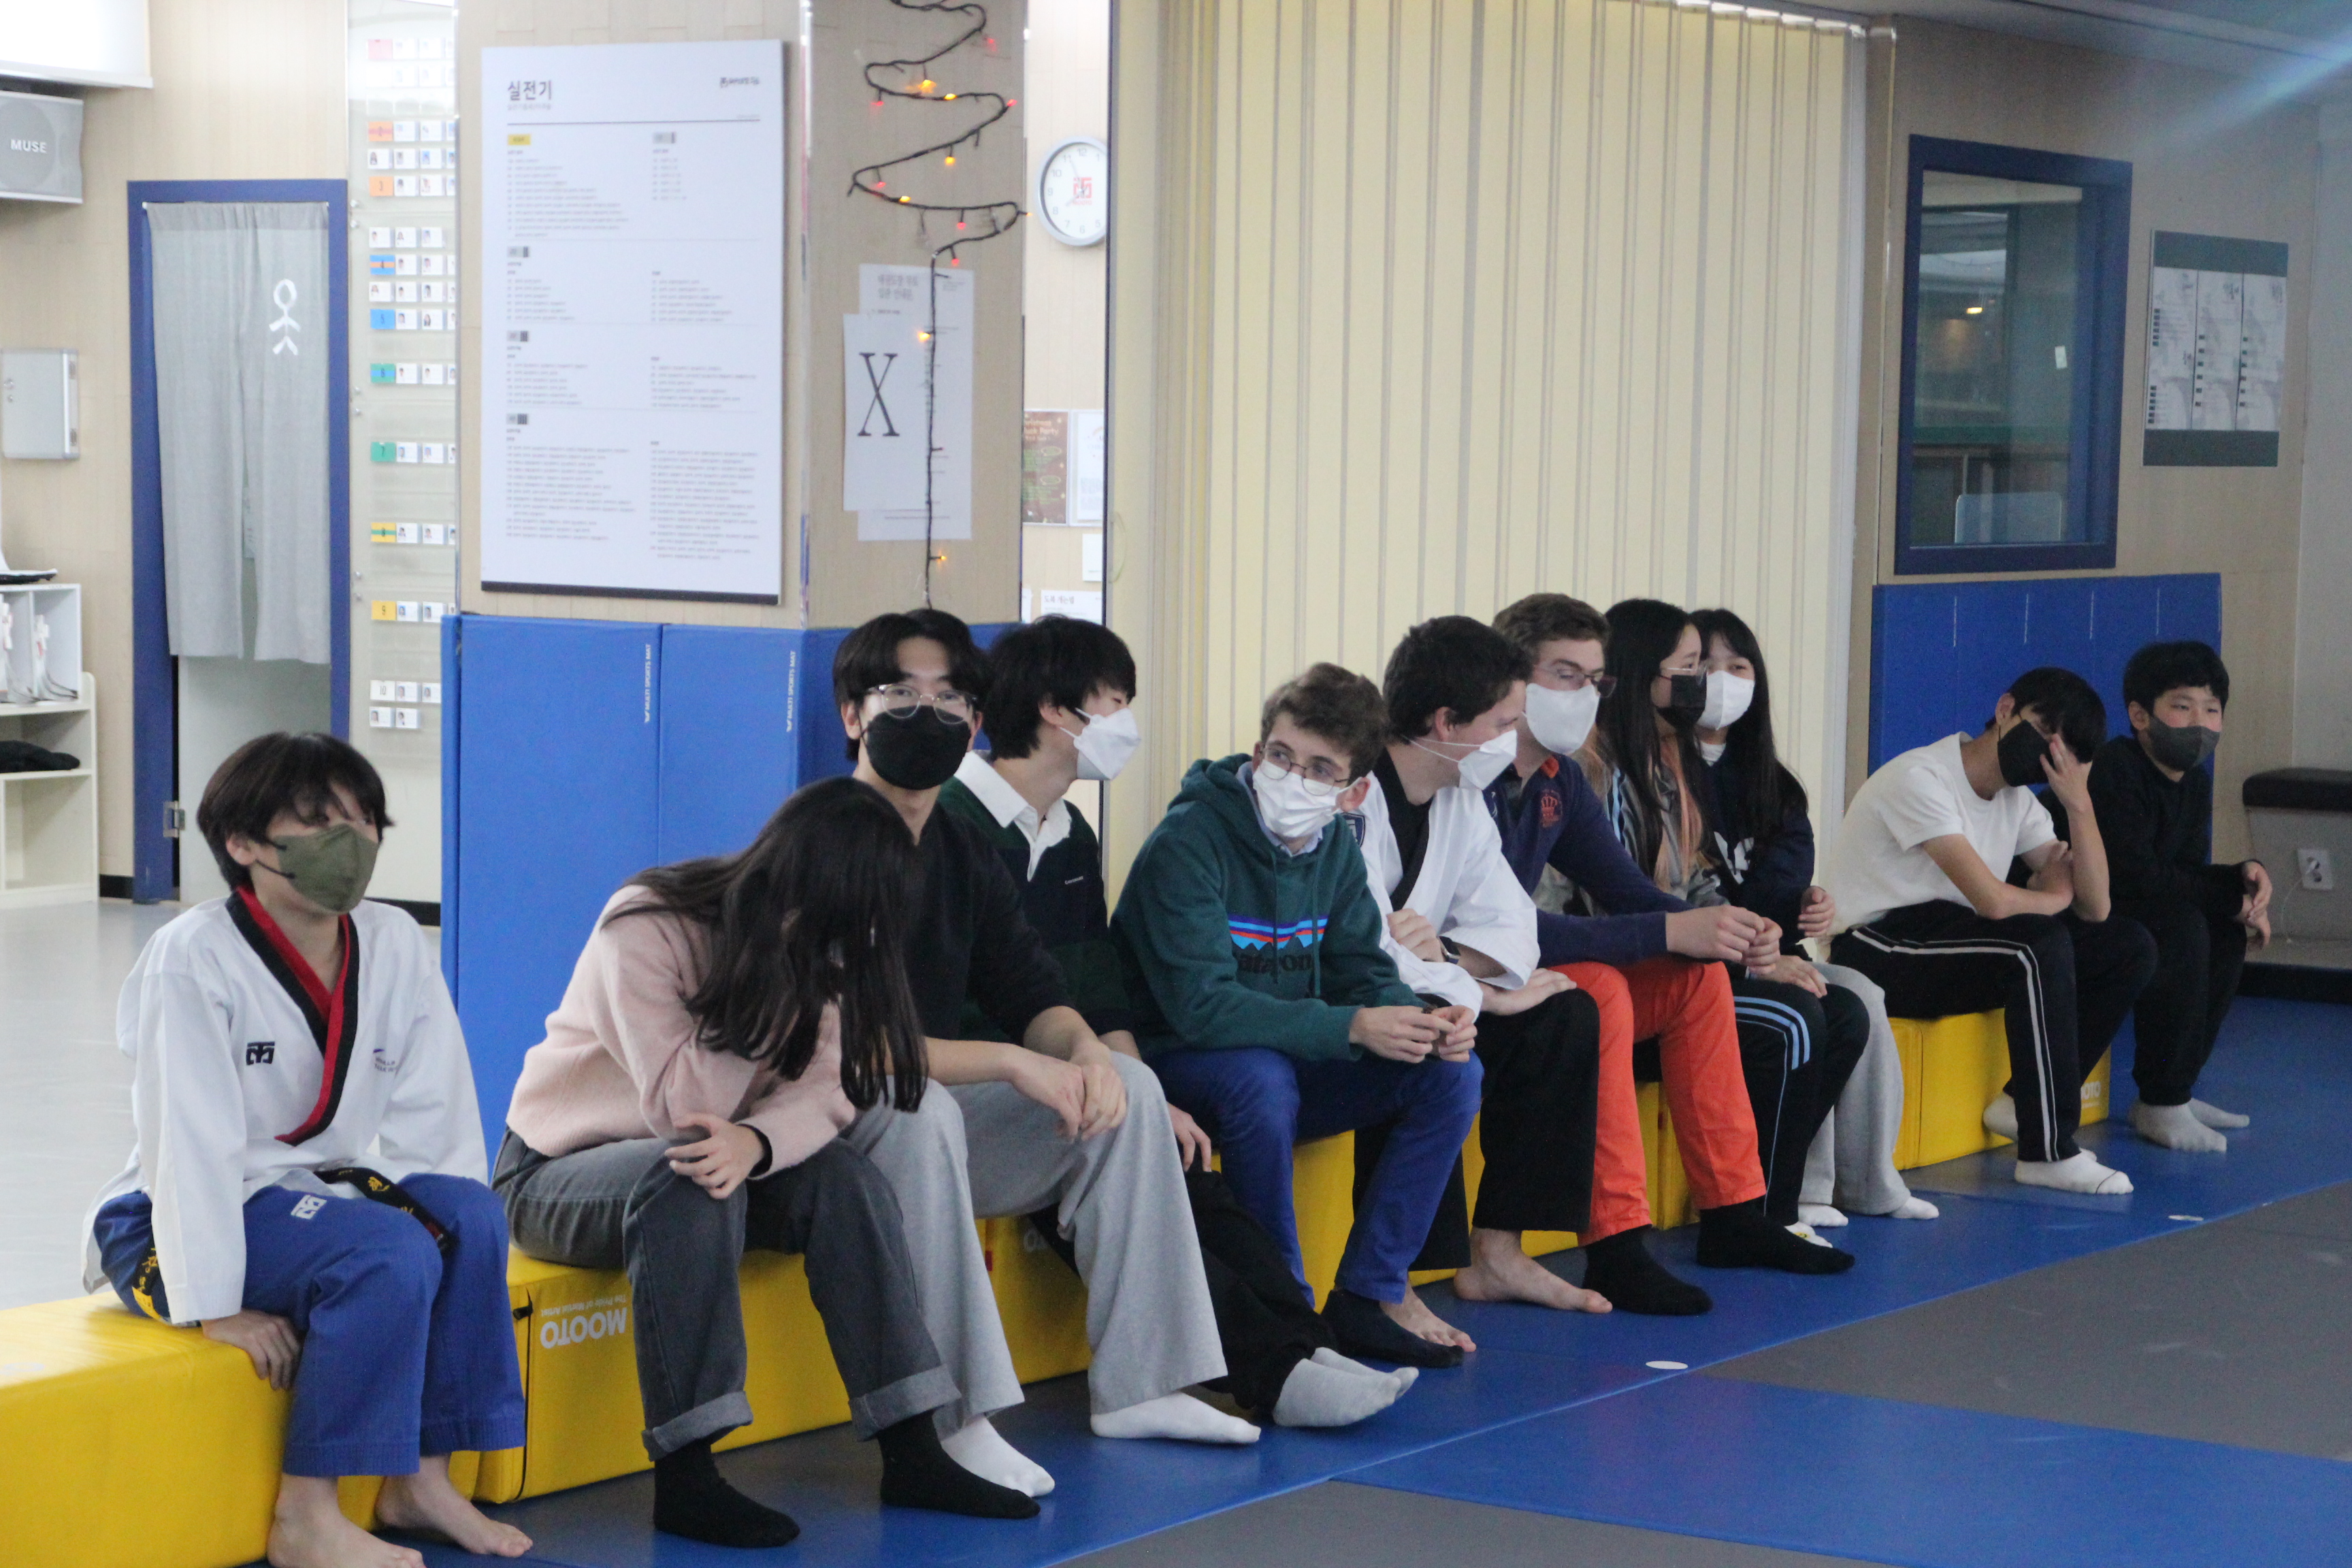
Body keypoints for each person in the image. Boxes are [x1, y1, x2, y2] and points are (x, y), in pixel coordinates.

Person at [497, 779, 1038, 1549]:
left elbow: (831, 1085)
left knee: (847, 1181)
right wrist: (765, 970)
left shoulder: (828, 946)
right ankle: (686, 1474)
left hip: (723, 1149)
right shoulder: (645, 924)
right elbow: (682, 1106)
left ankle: (913, 1447)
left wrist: (756, 1144)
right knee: (690, 1174)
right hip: (555, 1170)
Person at [937, 614, 1416, 1428]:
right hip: (990, 1085)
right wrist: (1093, 1079)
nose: (1128, 722)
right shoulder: (951, 827)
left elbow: (1095, 989)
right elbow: (954, 1005)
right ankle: (1269, 1374)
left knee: (1191, 1173)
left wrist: (1144, 1087)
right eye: (1116, 702)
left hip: (1064, 1073)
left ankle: (1304, 1344)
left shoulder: (1068, 832)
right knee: (1125, 1148)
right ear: (1056, 710)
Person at [84, 733, 531, 1568]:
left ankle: (421, 1479)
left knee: (469, 1216)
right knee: (388, 1251)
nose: (349, 843)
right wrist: (213, 1302)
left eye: (363, 821)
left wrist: (450, 1240)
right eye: (320, 822)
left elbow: (436, 1118)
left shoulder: (392, 940)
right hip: (170, 1219)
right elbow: (186, 1141)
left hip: (314, 1195)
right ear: (242, 844)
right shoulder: (192, 957)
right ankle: (305, 1515)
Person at [834, 610, 1253, 1473]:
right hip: (828, 1126)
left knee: (1132, 1090)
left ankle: (1143, 1384)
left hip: (933, 1104)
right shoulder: (820, 839)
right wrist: (1016, 1062)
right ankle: (954, 1421)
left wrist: (1088, 1053)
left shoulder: (959, 847)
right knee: (922, 1115)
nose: (928, 715)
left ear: (976, 721)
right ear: (853, 715)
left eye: (949, 699)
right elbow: (851, 1050)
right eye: (901, 695)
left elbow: (1033, 993)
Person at [1114, 663, 1487, 1368]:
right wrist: (1349, 1026)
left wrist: (1422, 1019)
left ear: (1354, 792)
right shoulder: (1189, 842)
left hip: (1282, 1057)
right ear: (1258, 753)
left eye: (1320, 769)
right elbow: (1200, 1009)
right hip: (1178, 1060)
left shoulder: (1337, 849)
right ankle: (1284, 1309)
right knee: (1260, 1080)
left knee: (1451, 1075)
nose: (1291, 778)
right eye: (1282, 756)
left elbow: (1363, 971)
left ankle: (1369, 1293)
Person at [1485, 594, 1855, 1305]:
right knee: (1600, 988)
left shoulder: (1560, 778)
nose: (1583, 695)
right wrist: (1671, 931)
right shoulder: (1481, 778)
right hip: (1489, 983)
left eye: (1594, 680)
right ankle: (1616, 1241)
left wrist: (1721, 931)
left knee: (1697, 979)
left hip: (1541, 974)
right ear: (1512, 679)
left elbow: (1628, 890)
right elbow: (1511, 931)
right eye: (1565, 675)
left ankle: (1736, 1211)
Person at [1580, 599, 1869, 1238]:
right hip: (1624, 977)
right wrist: (1720, 942)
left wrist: (1746, 930)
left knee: (1844, 1010)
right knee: (1794, 1021)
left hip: (1672, 966)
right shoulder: (1592, 769)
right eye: (1689, 668)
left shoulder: (1661, 765)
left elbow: (1695, 878)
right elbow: (1615, 901)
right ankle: (1758, 1216)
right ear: (1642, 675)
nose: (1702, 685)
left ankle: (1766, 1207)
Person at [1353, 617, 1613, 1318]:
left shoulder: (1460, 799)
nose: (1512, 738)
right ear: (1445, 722)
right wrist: (1476, 992)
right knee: (1428, 1028)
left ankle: (1499, 1250)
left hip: (1435, 985)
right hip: (1359, 1007)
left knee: (1563, 1014)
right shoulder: (1353, 793)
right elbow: (1364, 948)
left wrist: (1445, 957)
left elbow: (1513, 927)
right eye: (1502, 723)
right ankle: (1395, 1281)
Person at [1824, 667, 2159, 1194]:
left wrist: (2079, 804)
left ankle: (2019, 1103)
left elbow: (2096, 907)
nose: (2048, 756)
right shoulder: (1921, 777)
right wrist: (2053, 898)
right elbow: (1994, 900)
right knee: (2036, 943)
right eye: (2043, 734)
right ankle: (2047, 1151)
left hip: (1949, 936)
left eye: (2064, 754)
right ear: (2005, 710)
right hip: (1877, 946)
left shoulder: (2018, 803)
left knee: (2127, 946)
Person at [1690, 607, 1937, 1227]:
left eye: (1738, 667)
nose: (1723, 681)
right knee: (1814, 1007)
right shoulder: (1665, 776)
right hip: (1712, 958)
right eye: (1706, 666)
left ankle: (1871, 1182)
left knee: (1863, 994)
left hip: (1772, 953)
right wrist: (1762, 946)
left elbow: (1781, 885)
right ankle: (1804, 1188)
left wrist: (1807, 906)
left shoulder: (1774, 784)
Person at [2044, 640, 2265, 1153]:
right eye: (2182, 707)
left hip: (2129, 899)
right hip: (2068, 906)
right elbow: (2136, 878)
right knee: (2182, 927)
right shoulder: (2115, 769)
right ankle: (2162, 1103)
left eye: (2212, 710)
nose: (2200, 724)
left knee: (2224, 930)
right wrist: (2228, 895)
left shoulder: (2194, 783)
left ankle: (2174, 1092)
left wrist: (2243, 882)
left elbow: (2181, 873)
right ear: (2140, 716)